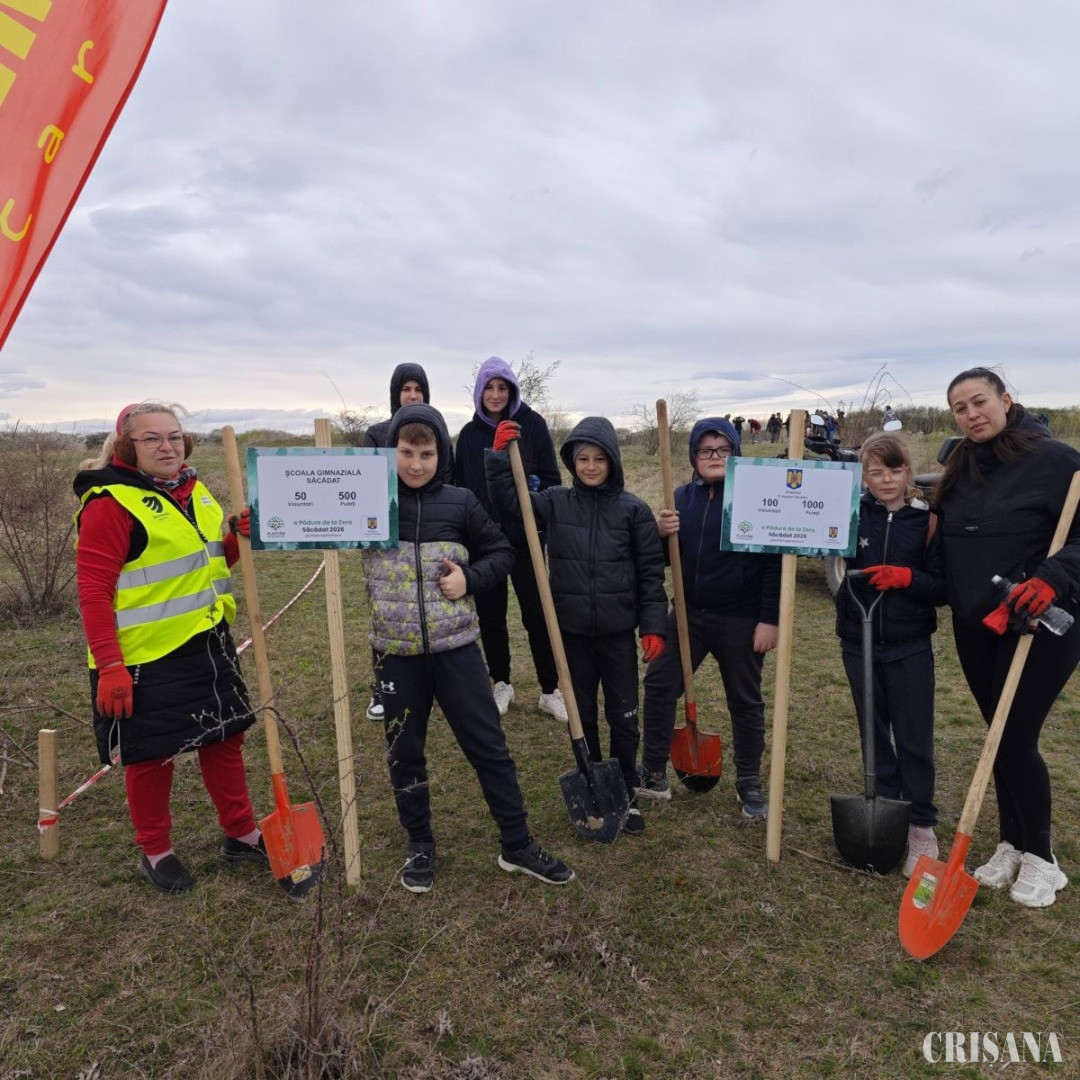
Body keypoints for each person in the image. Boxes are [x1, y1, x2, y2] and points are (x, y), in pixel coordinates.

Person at [363, 403, 574, 892]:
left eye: (427, 454)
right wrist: (255, 525)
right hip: (396, 654)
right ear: (392, 451)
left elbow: (503, 551)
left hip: (456, 650)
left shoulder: (460, 503)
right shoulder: (372, 503)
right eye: (406, 452)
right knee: (405, 754)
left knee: (490, 748)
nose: (416, 464)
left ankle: (517, 843)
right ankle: (420, 843)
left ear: (442, 454)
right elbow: (309, 521)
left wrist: (469, 579)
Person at [73, 403, 266, 895]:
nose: (167, 447)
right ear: (126, 446)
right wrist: (110, 666)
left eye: (174, 436)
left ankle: (242, 834)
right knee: (151, 756)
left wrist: (234, 537)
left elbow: (208, 560)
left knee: (224, 738)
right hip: (144, 657)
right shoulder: (110, 503)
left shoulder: (193, 490)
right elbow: (93, 593)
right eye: (152, 438)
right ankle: (156, 851)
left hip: (207, 641)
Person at [934, 368, 1080, 907]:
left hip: (1038, 621)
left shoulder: (1058, 462)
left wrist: (1052, 578)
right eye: (960, 408)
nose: (972, 414)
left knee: (1015, 736)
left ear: (1006, 400)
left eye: (980, 402)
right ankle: (1011, 843)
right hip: (977, 624)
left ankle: (1042, 859)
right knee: (996, 736)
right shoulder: (960, 467)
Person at [486, 416, 668, 835]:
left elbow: (650, 576)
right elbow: (511, 504)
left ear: (613, 461)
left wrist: (653, 627)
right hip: (570, 633)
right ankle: (594, 781)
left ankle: (625, 787)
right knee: (581, 714)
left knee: (624, 716)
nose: (590, 466)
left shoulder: (634, 511)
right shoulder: (555, 502)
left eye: (599, 459)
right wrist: (498, 460)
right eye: (583, 458)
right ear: (572, 461)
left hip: (617, 633)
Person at [638, 418, 780, 818]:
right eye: (705, 450)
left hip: (741, 619)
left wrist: (770, 619)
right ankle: (652, 771)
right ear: (693, 456)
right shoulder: (680, 498)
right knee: (660, 684)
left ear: (736, 452)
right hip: (688, 616)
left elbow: (773, 564)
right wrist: (659, 532)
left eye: (723, 449)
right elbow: (664, 560)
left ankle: (748, 781)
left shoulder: (756, 498)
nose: (714, 456)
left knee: (745, 700)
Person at [834, 432, 948, 875]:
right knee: (874, 732)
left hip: (909, 645)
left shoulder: (926, 522)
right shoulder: (849, 515)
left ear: (908, 472)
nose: (885, 480)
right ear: (863, 476)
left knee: (914, 737)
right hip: (857, 641)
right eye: (875, 472)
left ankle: (920, 824)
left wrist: (907, 578)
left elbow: (942, 588)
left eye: (894, 470)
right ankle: (885, 809)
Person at [454, 357, 566, 721]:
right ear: (479, 391)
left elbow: (552, 481)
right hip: (484, 540)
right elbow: (461, 486)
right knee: (491, 614)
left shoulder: (531, 425)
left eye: (503, 387)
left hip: (525, 536)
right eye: (489, 387)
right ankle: (501, 682)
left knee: (538, 611)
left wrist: (532, 490)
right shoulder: (469, 435)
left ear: (513, 390)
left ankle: (550, 689)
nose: (496, 394)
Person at [362, 363, 452, 721]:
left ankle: (437, 684)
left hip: (431, 537)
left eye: (418, 389)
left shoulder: (437, 429)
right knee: (389, 616)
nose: (412, 395)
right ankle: (383, 688)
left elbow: (447, 478)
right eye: (405, 389)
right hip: (389, 538)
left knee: (432, 612)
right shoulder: (376, 434)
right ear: (395, 393)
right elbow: (368, 484)